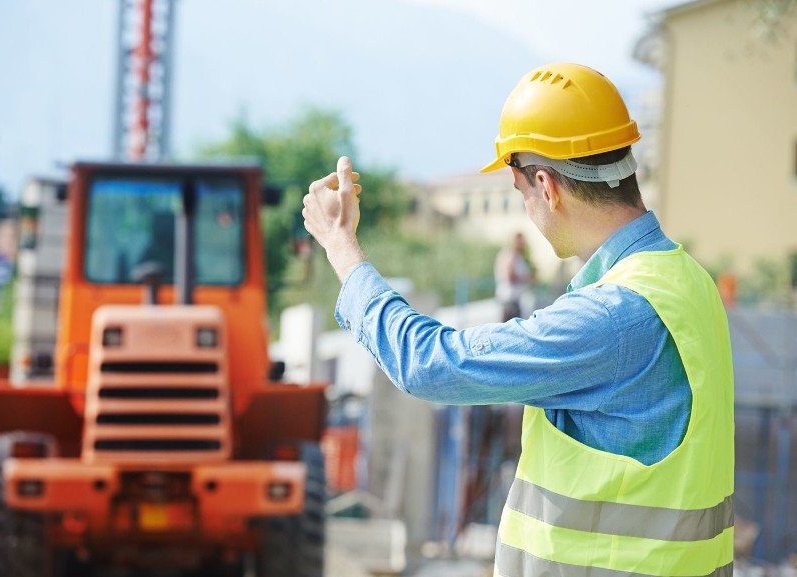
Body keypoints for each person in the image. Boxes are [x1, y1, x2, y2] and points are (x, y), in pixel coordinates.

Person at [302, 63, 734, 577]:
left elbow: (429, 364)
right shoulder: (688, 282)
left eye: (519, 190)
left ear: (547, 186)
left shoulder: (614, 316)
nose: (527, 207)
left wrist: (341, 248)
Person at [494, 232, 535, 322]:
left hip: (514, 301)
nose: (523, 244)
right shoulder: (510, 255)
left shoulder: (517, 256)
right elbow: (510, 277)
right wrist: (527, 279)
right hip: (509, 303)